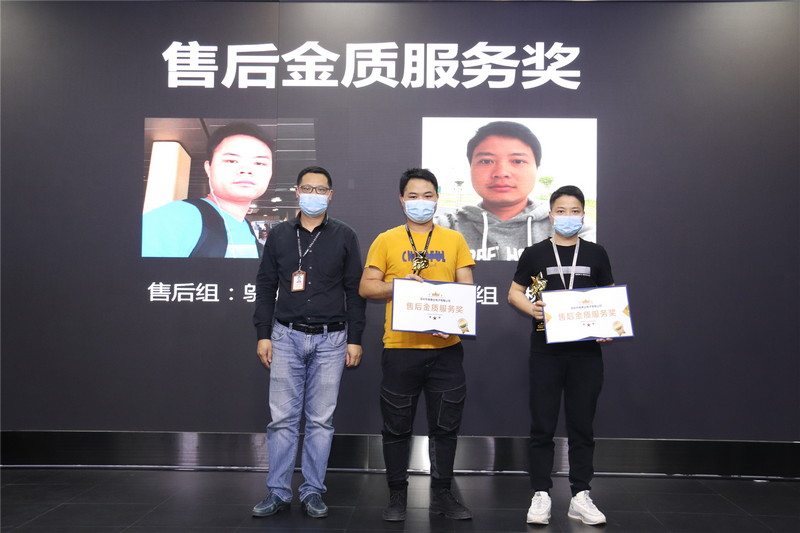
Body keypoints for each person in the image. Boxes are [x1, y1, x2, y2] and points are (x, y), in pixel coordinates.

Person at [359, 168, 476, 522]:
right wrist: (398, 286)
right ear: (401, 200)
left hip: (446, 350)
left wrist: (453, 319)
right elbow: (367, 286)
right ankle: (397, 495)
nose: (420, 202)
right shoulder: (386, 239)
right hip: (401, 348)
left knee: (446, 427)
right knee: (396, 427)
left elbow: (466, 289)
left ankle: (443, 494)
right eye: (413, 196)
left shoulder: (454, 239)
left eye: (427, 196)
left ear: (437, 198)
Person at [252, 166, 366, 519]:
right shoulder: (279, 235)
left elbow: (355, 291)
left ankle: (313, 491)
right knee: (282, 420)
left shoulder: (345, 235)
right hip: (285, 336)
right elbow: (266, 286)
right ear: (297, 192)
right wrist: (263, 334)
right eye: (307, 188)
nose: (313, 194)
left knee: (320, 421)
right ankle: (278, 491)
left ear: (330, 195)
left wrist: (355, 339)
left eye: (321, 189)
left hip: (333, 339)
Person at [507, 185, 614, 526]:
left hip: (586, 353)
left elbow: (609, 294)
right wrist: (532, 310)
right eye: (562, 211)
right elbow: (514, 293)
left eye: (575, 211)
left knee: (582, 425)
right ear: (551, 215)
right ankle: (541, 493)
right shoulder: (535, 253)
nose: (568, 216)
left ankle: (580, 495)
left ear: (583, 215)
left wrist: (608, 322)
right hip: (545, 351)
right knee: (542, 425)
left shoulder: (596, 253)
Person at [435, 121, 594, 261]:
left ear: (536, 168)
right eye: (486, 161)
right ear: (471, 167)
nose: (501, 172)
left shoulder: (571, 226)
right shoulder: (443, 228)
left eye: (518, 161)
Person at [142, 122, 273, 258]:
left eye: (259, 163)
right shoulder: (174, 218)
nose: (246, 170)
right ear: (208, 168)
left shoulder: (246, 227)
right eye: (231, 161)